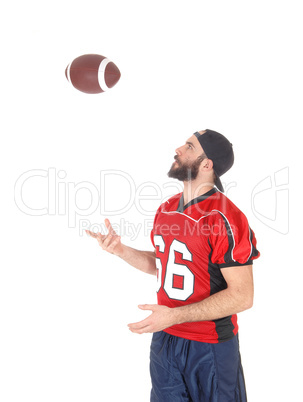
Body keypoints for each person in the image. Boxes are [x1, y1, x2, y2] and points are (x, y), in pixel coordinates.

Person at [86, 129, 260, 401]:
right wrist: (120, 250)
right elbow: (163, 265)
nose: (178, 149)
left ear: (206, 164)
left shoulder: (225, 216)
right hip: (165, 340)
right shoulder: (166, 208)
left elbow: (242, 295)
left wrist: (175, 316)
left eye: (189, 146)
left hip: (209, 346)